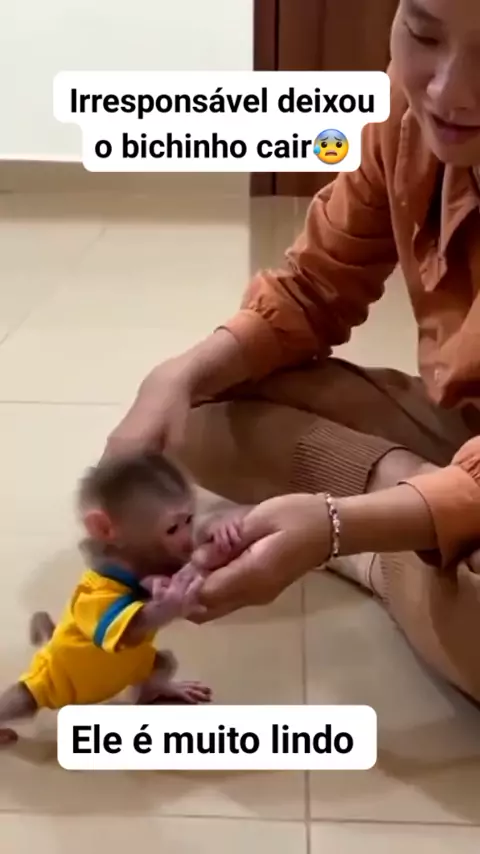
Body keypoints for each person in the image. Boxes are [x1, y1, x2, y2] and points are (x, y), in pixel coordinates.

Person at [105, 0, 480, 702]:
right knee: (200, 411)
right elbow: (312, 288)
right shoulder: (405, 120)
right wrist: (178, 376)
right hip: (464, 432)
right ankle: (406, 517)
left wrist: (337, 528)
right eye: (424, 33)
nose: (449, 90)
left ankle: (387, 548)